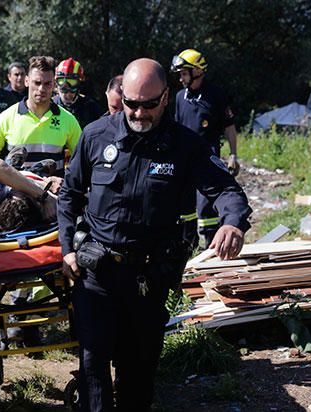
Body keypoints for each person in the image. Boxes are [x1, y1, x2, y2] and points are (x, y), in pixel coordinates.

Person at [57, 58, 252, 411]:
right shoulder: (96, 136)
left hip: (148, 279)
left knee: (138, 370)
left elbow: (227, 190)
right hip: (97, 273)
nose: (139, 112)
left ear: (166, 98)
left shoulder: (185, 146)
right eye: (131, 103)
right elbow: (69, 195)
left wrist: (231, 222)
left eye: (149, 104)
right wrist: (66, 248)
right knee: (92, 365)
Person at [171, 48, 241, 247]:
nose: (181, 78)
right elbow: (176, 128)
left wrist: (233, 154)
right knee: (185, 206)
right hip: (183, 159)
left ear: (197, 71)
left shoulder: (215, 95)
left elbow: (229, 126)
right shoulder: (179, 97)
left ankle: (211, 244)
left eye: (184, 73)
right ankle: (190, 246)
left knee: (206, 207)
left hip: (207, 159)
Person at [0, 55, 82, 176]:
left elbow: (82, 159)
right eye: (37, 83)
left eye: (47, 83)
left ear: (54, 84)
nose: (41, 88)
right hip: (15, 193)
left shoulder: (68, 120)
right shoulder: (7, 117)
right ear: (26, 81)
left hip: (52, 192)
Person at [52, 57, 101, 128]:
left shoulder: (91, 108)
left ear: (80, 82)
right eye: (61, 81)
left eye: (71, 81)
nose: (66, 86)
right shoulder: (50, 106)